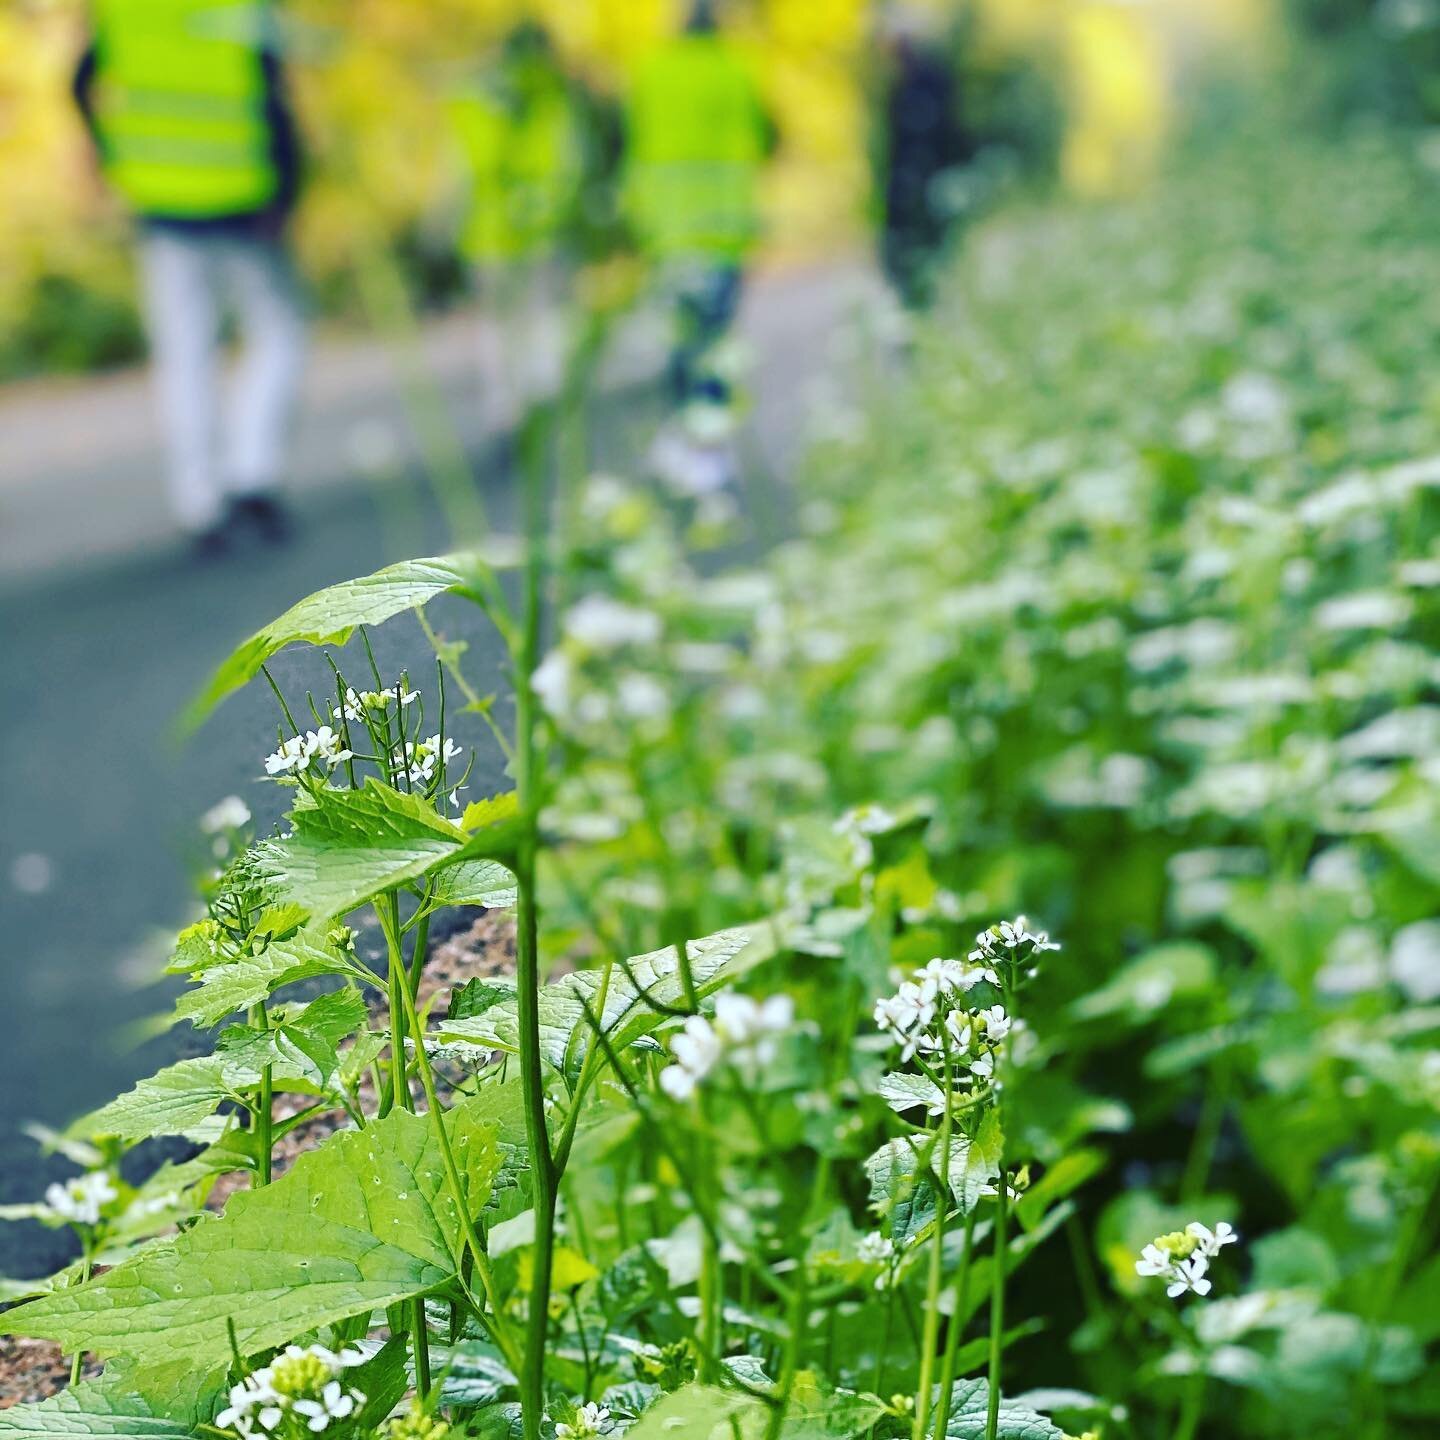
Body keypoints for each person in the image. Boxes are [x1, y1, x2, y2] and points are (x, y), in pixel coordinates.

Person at [73, 0, 306, 554]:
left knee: (185, 350)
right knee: (279, 331)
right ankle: (253, 473)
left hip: (162, 201)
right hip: (243, 198)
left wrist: (111, 157)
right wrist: (290, 187)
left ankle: (199, 500)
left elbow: (82, 82)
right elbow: (275, 96)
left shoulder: (123, 11)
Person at [625, 0, 771, 493]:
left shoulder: (650, 69)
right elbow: (764, 137)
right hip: (724, 230)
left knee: (681, 343)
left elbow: (629, 138)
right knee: (715, 345)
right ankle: (708, 450)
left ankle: (686, 443)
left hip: (668, 231)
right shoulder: (738, 68)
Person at [449, 22, 584, 423]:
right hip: (541, 229)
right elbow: (571, 164)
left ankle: (505, 406)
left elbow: (459, 173)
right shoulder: (551, 97)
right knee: (545, 316)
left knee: (497, 323)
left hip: (487, 234)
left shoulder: (469, 102)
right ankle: (543, 400)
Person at [878, 9, 971, 308]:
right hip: (906, 191)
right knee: (904, 261)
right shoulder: (899, 87)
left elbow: (949, 134)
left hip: (930, 188)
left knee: (927, 262)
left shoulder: (930, 82)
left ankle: (921, 313)